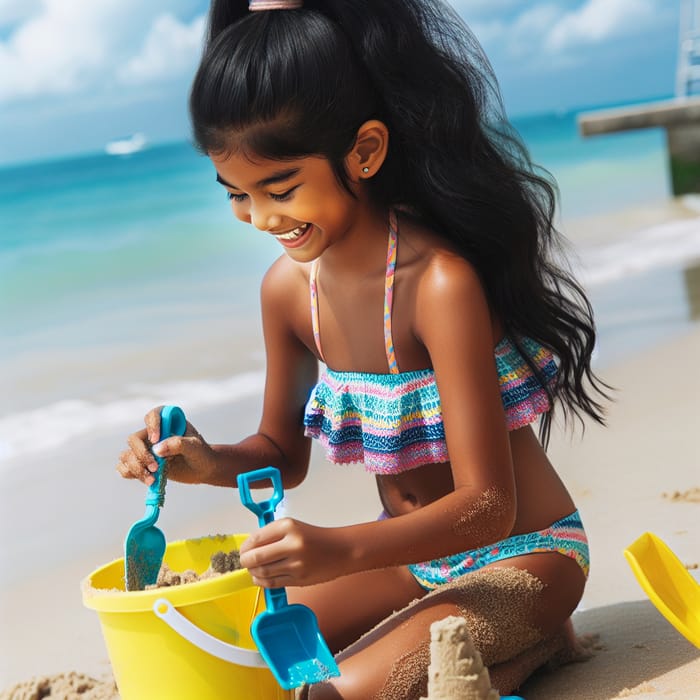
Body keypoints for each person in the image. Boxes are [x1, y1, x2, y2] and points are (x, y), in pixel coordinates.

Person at [117, 0, 610, 696]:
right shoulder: (288, 293)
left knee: (328, 692)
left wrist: (339, 549)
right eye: (236, 195)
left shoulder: (438, 284)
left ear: (366, 151)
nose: (261, 219)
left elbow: (488, 506)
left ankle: (527, 642)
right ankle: (515, 655)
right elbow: (282, 457)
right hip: (411, 561)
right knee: (244, 662)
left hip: (525, 558)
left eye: (281, 189)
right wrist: (206, 461)